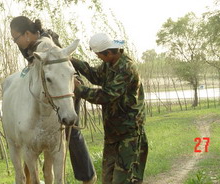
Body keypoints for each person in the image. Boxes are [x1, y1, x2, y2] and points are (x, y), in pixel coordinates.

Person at [10, 16, 97, 184]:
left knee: (71, 133)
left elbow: (61, 68)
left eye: (16, 38)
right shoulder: (27, 46)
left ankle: (88, 177)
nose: (15, 42)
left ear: (27, 34)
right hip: (51, 91)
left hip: (66, 89)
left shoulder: (46, 42)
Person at [71, 32, 148, 184]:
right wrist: (72, 60)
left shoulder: (126, 68)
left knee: (124, 179)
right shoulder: (109, 64)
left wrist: (79, 90)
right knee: (108, 178)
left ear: (108, 53)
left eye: (99, 55)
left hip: (129, 133)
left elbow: (106, 95)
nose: (98, 57)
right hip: (113, 132)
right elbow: (95, 76)